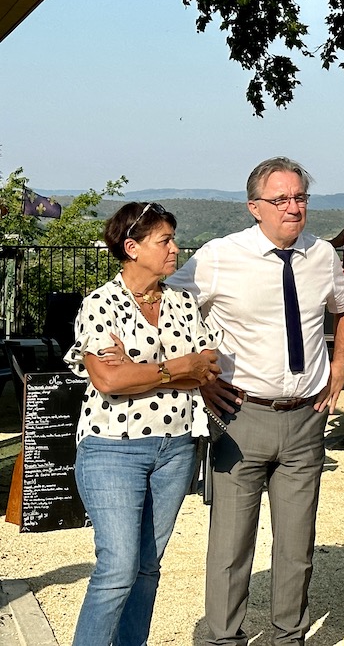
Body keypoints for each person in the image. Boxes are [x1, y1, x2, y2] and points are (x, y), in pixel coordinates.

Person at [168, 157, 344, 646]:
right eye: (280, 199)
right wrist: (199, 376)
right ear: (255, 207)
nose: (293, 207)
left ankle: (288, 636)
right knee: (231, 546)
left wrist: (339, 371)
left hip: (306, 418)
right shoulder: (218, 256)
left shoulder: (322, 255)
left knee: (297, 547)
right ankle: (223, 638)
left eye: (300, 197)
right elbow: (169, 307)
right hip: (241, 416)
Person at [65, 202, 222, 646]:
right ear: (132, 248)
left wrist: (146, 369)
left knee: (148, 568)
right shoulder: (100, 303)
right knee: (117, 568)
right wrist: (177, 368)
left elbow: (208, 367)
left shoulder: (183, 302)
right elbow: (109, 379)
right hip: (112, 448)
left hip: (175, 448)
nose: (175, 249)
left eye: (173, 238)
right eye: (164, 241)